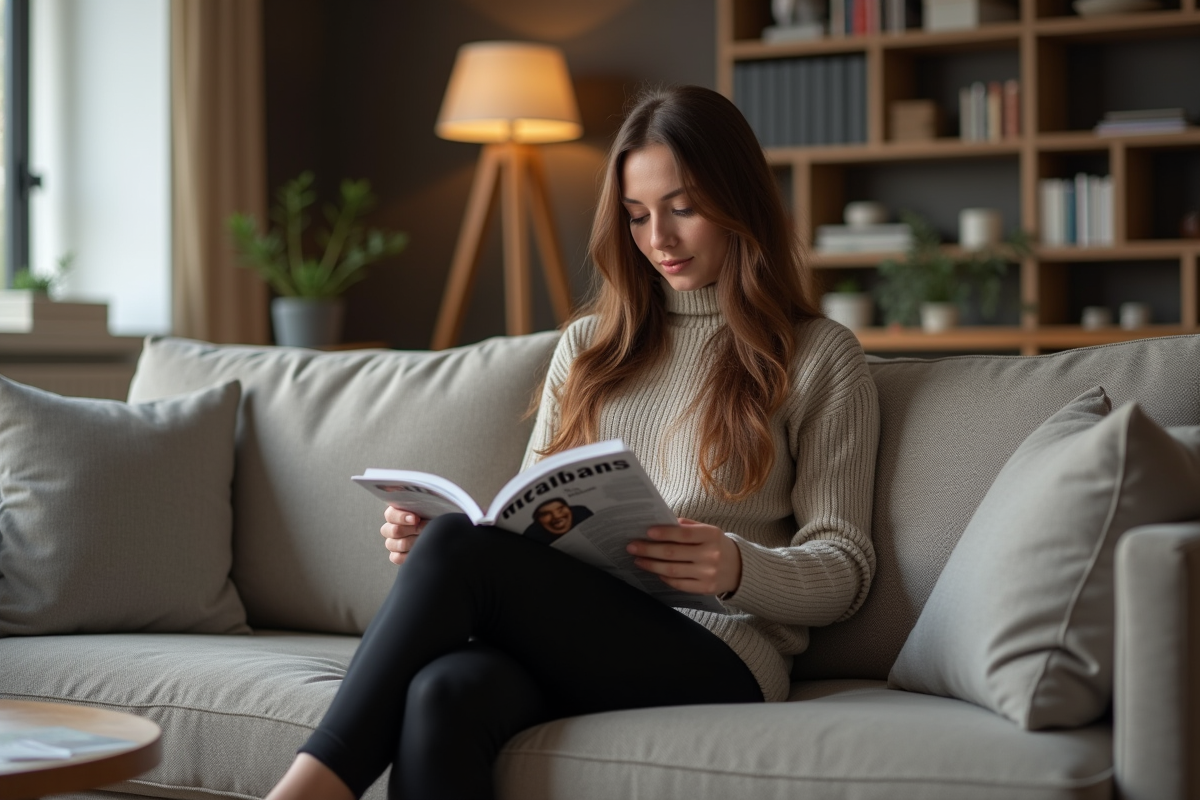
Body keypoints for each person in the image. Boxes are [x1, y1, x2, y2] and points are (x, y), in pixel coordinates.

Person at [266, 84, 879, 800]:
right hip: (584, 631)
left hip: (723, 652)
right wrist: (437, 539)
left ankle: (307, 790)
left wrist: (736, 566)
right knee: (445, 688)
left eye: (683, 208)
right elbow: (530, 518)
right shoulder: (589, 347)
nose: (659, 240)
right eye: (638, 215)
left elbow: (846, 568)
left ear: (740, 200)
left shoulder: (818, 354)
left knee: (462, 552)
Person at [521, 497, 592, 543]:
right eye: (546, 514)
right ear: (537, 520)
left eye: (560, 509)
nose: (557, 516)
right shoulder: (532, 535)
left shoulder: (582, 513)